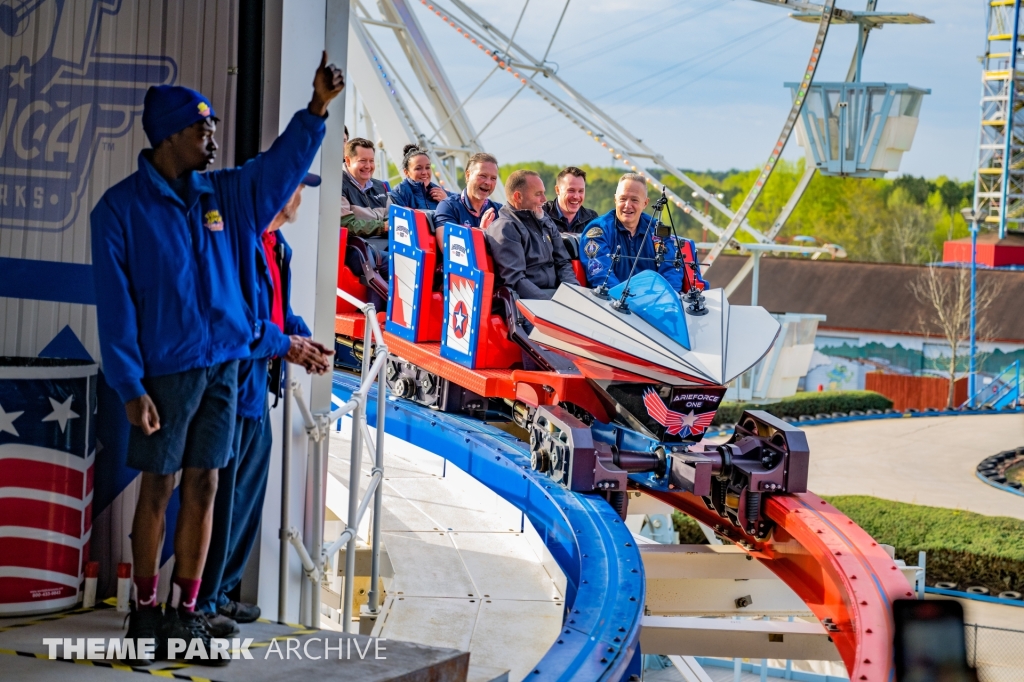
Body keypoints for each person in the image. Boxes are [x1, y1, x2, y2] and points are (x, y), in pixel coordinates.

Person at [89, 53, 343, 664]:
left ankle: (187, 612)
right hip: (166, 374)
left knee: (205, 483)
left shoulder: (226, 195)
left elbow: (278, 169)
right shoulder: (119, 211)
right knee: (159, 487)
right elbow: (116, 309)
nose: (213, 139)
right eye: (202, 130)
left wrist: (315, 111)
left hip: (226, 367)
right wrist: (129, 385)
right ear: (171, 135)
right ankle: (145, 611)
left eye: (214, 128)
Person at [197, 174, 333, 637]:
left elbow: (276, 311)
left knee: (246, 499)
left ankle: (225, 592)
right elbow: (241, 322)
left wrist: (300, 334)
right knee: (222, 498)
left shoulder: (276, 245)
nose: (300, 198)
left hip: (259, 387)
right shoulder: (242, 244)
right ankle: (205, 599)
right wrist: (286, 344)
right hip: (233, 388)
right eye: (296, 187)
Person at [580, 173, 684, 291]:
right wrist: (625, 299)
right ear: (615, 199)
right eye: (623, 199)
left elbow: (672, 270)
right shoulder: (598, 230)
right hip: (612, 303)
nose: (627, 205)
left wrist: (665, 296)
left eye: (634, 200)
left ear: (645, 203)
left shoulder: (658, 231)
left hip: (654, 302)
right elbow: (600, 273)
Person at [485, 169, 579, 301]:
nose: (544, 199)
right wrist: (551, 305)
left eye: (544, 193)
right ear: (518, 197)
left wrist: (574, 293)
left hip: (554, 295)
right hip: (529, 303)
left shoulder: (545, 220)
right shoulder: (505, 228)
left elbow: (563, 262)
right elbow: (516, 280)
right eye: (538, 194)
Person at [433, 152, 501, 232]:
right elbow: (447, 243)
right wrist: (482, 231)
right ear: (468, 175)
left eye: (493, 178)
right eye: (483, 176)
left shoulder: (500, 211)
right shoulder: (449, 207)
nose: (488, 182)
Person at [341, 137, 390, 237]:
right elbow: (346, 225)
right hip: (357, 248)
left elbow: (391, 217)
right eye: (363, 160)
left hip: (384, 244)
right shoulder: (338, 185)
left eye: (371, 161)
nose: (368, 166)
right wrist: (382, 227)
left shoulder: (380, 186)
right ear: (348, 161)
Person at [389, 144, 452, 211]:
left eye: (427, 167)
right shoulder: (399, 193)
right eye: (418, 168)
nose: (424, 172)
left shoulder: (441, 193)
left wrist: (447, 202)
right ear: (406, 172)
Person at [543, 166, 598, 234]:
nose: (576, 196)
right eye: (571, 190)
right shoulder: (542, 215)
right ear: (557, 190)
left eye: (581, 191)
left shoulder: (592, 219)